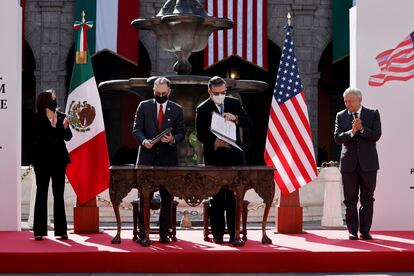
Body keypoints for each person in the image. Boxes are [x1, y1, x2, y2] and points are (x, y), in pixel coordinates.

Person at [195, 76, 251, 245]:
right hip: (215, 158)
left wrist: (236, 118)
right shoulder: (203, 108)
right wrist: (214, 142)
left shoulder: (234, 103)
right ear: (209, 91)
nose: (220, 95)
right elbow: (199, 134)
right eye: (217, 93)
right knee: (217, 198)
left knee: (233, 198)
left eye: (223, 92)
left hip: (235, 158)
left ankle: (235, 235)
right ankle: (218, 234)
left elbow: (249, 122)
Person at [132, 77, 185, 244]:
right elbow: (136, 129)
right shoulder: (144, 106)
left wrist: (172, 139)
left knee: (167, 198)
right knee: (144, 198)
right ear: (153, 91)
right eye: (157, 93)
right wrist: (144, 141)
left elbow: (182, 132)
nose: (160, 95)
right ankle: (143, 233)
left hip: (167, 160)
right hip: (147, 159)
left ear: (169, 92)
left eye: (163, 93)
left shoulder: (177, 109)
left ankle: (164, 233)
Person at [334, 87, 381, 240]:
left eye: (350, 101)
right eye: (345, 101)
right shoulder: (340, 116)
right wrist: (352, 132)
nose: (347, 104)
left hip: (369, 164)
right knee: (350, 199)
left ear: (359, 100)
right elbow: (337, 138)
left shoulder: (373, 113)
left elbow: (376, 135)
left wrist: (362, 129)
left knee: (367, 198)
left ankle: (365, 231)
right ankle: (352, 231)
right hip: (348, 165)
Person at [32, 89, 72, 241]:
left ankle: (61, 230)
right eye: (53, 98)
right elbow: (40, 139)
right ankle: (39, 231)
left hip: (59, 160)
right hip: (42, 161)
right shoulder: (36, 118)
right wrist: (55, 128)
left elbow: (67, 137)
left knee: (58, 195)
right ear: (45, 101)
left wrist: (65, 126)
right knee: (41, 193)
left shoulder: (61, 117)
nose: (55, 101)